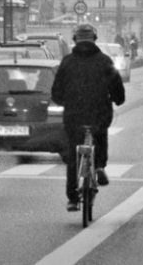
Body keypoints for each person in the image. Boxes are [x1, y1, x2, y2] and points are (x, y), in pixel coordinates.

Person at [51, 24, 125, 212]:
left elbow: (56, 91)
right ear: (95, 39)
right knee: (100, 137)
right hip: (99, 113)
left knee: (73, 155)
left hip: (74, 115)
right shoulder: (105, 61)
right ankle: (99, 166)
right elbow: (117, 89)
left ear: (75, 40)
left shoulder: (67, 62)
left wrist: (63, 101)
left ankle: (73, 199)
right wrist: (117, 99)